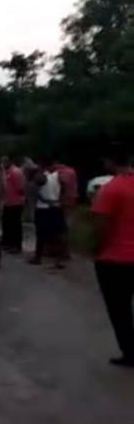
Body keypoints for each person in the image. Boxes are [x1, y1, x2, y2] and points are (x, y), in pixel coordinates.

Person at [91, 146, 134, 368]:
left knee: (120, 309)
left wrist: (95, 250)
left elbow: (101, 227)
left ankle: (130, 352)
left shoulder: (110, 190)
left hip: (115, 259)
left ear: (109, 162)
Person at [29, 158, 66, 269]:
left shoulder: (41, 175)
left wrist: (45, 200)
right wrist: (58, 200)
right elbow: (64, 188)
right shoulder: (58, 175)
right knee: (58, 234)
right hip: (56, 206)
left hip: (43, 207)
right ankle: (58, 260)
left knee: (41, 234)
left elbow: (34, 191)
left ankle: (38, 257)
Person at [1, 155, 27, 253]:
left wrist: (20, 198)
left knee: (15, 225)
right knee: (7, 224)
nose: (2, 164)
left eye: (4, 162)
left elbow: (20, 188)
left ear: (9, 162)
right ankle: (8, 243)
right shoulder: (6, 172)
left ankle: (16, 245)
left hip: (16, 203)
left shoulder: (16, 172)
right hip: (7, 202)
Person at [54, 160, 79, 259]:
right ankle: (65, 250)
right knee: (67, 225)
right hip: (71, 200)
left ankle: (63, 251)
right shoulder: (71, 170)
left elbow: (63, 183)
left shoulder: (60, 172)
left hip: (63, 201)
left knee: (62, 226)